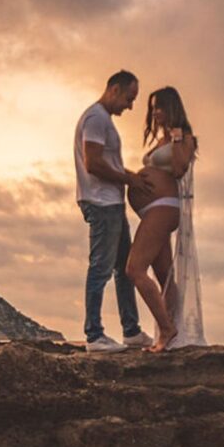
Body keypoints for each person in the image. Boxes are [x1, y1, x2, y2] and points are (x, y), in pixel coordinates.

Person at [75, 70, 155, 353]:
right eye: (129, 99)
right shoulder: (96, 118)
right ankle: (94, 335)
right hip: (101, 203)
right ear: (114, 90)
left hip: (111, 204)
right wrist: (129, 178)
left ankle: (131, 331)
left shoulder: (102, 119)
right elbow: (93, 163)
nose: (130, 106)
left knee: (125, 269)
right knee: (101, 268)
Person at [125, 87, 206, 352]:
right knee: (164, 276)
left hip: (163, 207)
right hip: (152, 210)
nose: (156, 113)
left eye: (160, 107)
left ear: (172, 108)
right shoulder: (161, 141)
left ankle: (167, 330)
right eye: (153, 108)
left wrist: (178, 136)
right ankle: (175, 329)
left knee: (134, 270)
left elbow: (181, 168)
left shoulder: (184, 138)